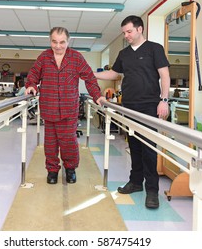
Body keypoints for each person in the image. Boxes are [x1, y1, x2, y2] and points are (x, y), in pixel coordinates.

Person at [94, 15, 170, 209]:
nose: (126, 35)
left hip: (150, 105)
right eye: (124, 32)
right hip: (129, 104)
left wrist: (164, 100)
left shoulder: (155, 49)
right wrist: (90, 73)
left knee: (149, 149)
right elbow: (114, 73)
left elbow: (164, 75)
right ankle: (136, 182)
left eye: (129, 31)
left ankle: (152, 190)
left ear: (139, 29)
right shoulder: (124, 53)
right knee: (134, 145)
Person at [25, 27, 105, 185]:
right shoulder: (44, 57)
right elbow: (33, 73)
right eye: (54, 42)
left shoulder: (76, 57)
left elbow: (89, 77)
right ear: (50, 41)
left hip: (69, 109)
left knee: (69, 142)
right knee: (50, 143)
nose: (58, 46)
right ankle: (52, 170)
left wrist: (97, 95)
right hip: (49, 107)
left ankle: (70, 169)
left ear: (68, 42)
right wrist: (31, 85)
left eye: (62, 42)